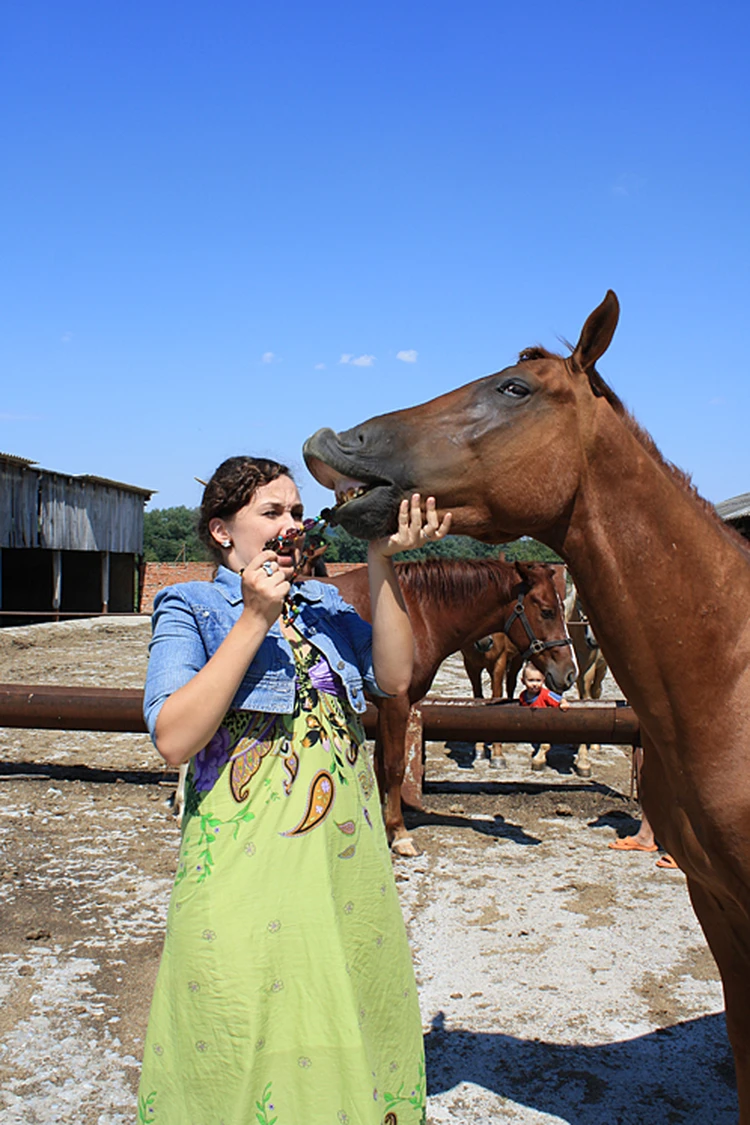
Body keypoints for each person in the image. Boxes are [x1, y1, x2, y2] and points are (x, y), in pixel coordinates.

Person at [138, 456, 450, 1125]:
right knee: (241, 1001)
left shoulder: (328, 606)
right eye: (271, 512)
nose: (292, 524)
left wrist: (380, 560)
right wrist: (253, 617)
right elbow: (172, 736)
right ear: (223, 531)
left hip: (342, 859)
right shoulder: (190, 606)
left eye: (298, 512)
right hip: (242, 861)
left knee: (336, 997)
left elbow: (394, 678)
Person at [518, 661, 569, 771]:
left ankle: (544, 749)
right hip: (533, 724)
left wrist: (563, 703)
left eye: (538, 680)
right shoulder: (523, 696)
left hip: (546, 724)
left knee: (545, 736)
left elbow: (559, 699)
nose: (535, 684)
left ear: (543, 681)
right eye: (531, 680)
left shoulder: (545, 694)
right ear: (523, 681)